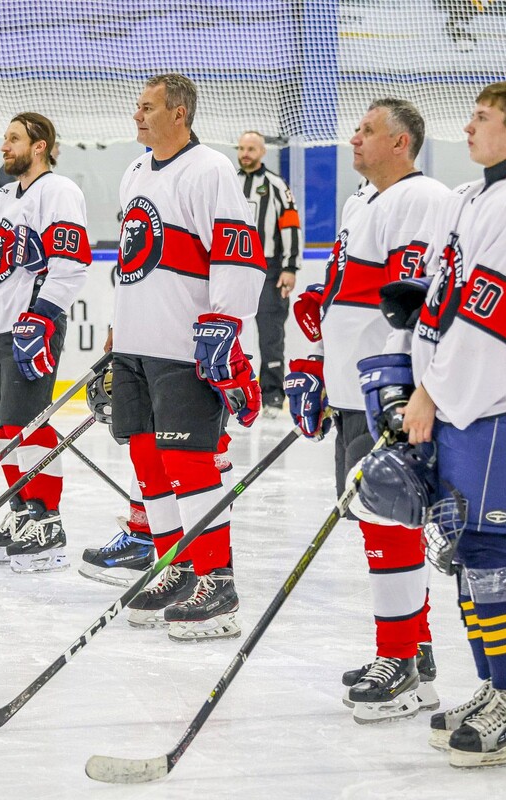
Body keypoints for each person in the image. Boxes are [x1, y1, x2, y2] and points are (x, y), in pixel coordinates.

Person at [396, 79, 506, 768]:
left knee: (489, 550)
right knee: (466, 549)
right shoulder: (476, 198)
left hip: (496, 404)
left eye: (484, 119)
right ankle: (492, 686)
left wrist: (431, 394)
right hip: (462, 400)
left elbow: (496, 325)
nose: (468, 129)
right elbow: (456, 297)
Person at [284, 99, 450, 723]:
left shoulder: (423, 200)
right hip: (354, 391)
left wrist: (402, 386)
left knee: (391, 523)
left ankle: (399, 663)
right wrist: (312, 364)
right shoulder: (362, 202)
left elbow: (414, 303)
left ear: (402, 142)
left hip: (387, 394)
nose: (354, 138)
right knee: (380, 521)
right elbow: (340, 295)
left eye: (367, 130)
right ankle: (416, 650)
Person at [112, 73, 266, 642]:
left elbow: (237, 250)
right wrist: (116, 331)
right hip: (136, 342)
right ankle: (175, 566)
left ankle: (216, 579)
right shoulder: (133, 173)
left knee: (191, 463)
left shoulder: (211, 170)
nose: (137, 116)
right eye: (137, 107)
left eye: (147, 107)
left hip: (183, 343)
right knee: (148, 461)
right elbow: (134, 260)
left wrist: (225, 320)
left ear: (179, 113)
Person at [0, 113, 91, 573]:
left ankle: (49, 521)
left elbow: (73, 261)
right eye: (4, 137)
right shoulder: (1, 197)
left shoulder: (60, 192)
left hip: (33, 324)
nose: (4, 146)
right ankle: (23, 512)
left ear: (39, 146)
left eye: (14, 138)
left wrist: (41, 316)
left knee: (29, 423)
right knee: (4, 427)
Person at [235, 130, 302, 416]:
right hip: (234, 267)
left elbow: (291, 225)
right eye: (241, 148)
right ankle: (231, 390)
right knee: (228, 330)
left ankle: (273, 396)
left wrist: (289, 267)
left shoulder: (275, 184)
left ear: (262, 152)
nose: (245, 153)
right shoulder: (230, 183)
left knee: (270, 333)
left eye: (251, 148)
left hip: (268, 267)